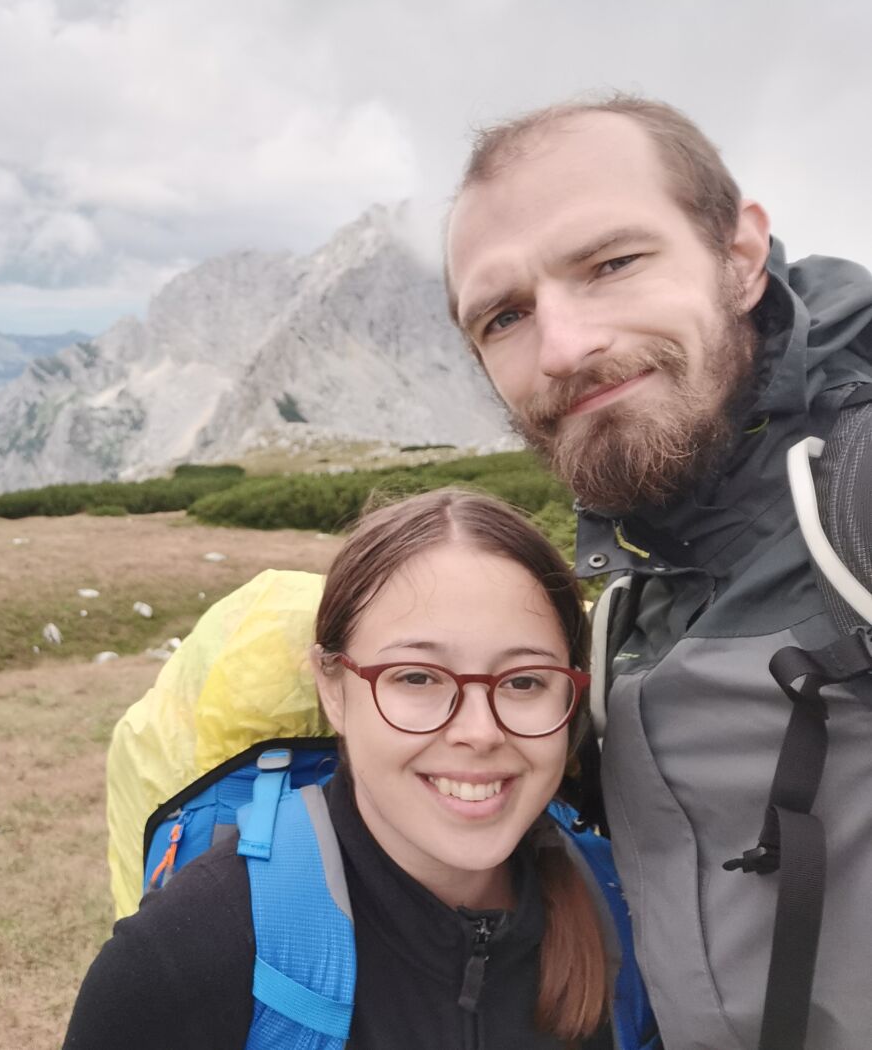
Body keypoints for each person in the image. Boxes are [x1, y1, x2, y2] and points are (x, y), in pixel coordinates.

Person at [444, 95, 872, 1049]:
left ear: (741, 254)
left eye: (613, 264)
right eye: (504, 317)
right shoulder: (629, 594)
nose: (563, 348)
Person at [64, 489, 628, 1050]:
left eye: (526, 680)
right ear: (333, 688)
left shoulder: (628, 916)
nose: (479, 732)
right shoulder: (180, 958)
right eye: (416, 677)